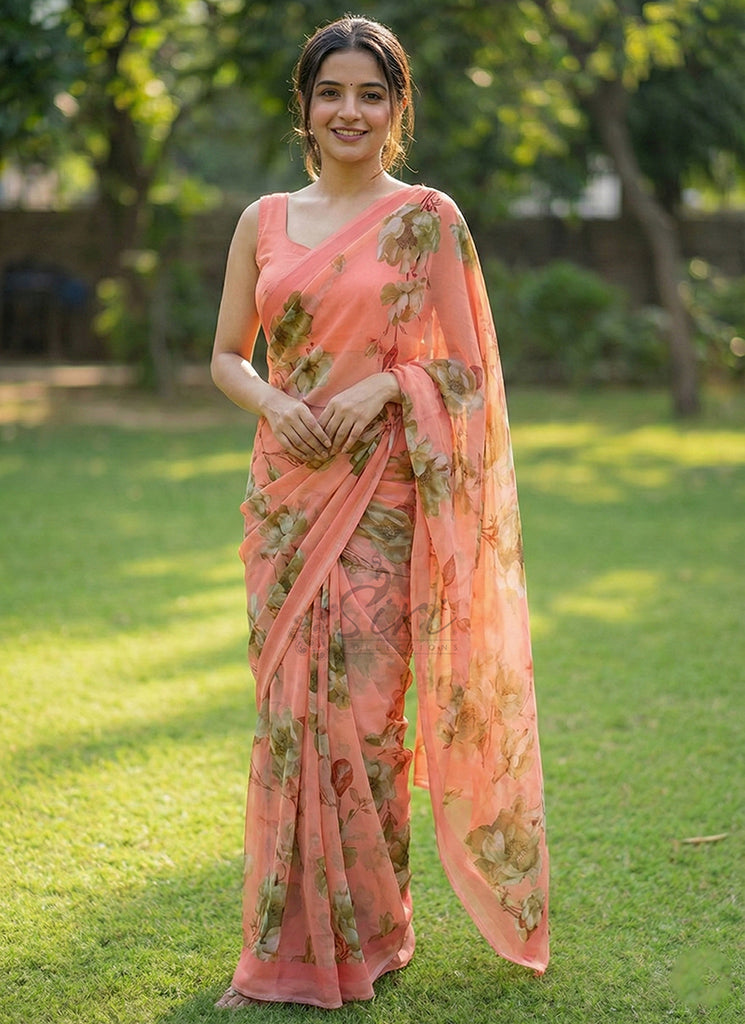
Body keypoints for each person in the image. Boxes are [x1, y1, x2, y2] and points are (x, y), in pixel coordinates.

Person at [210, 15, 549, 1011]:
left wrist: (390, 387)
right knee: (289, 720)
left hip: (383, 501)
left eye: (370, 94)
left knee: (361, 723)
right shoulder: (264, 220)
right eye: (331, 93)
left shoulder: (426, 219)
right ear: (304, 108)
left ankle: (372, 936)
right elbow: (226, 354)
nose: (348, 111)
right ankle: (279, 949)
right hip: (286, 500)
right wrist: (272, 402)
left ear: (397, 109)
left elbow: (469, 370)